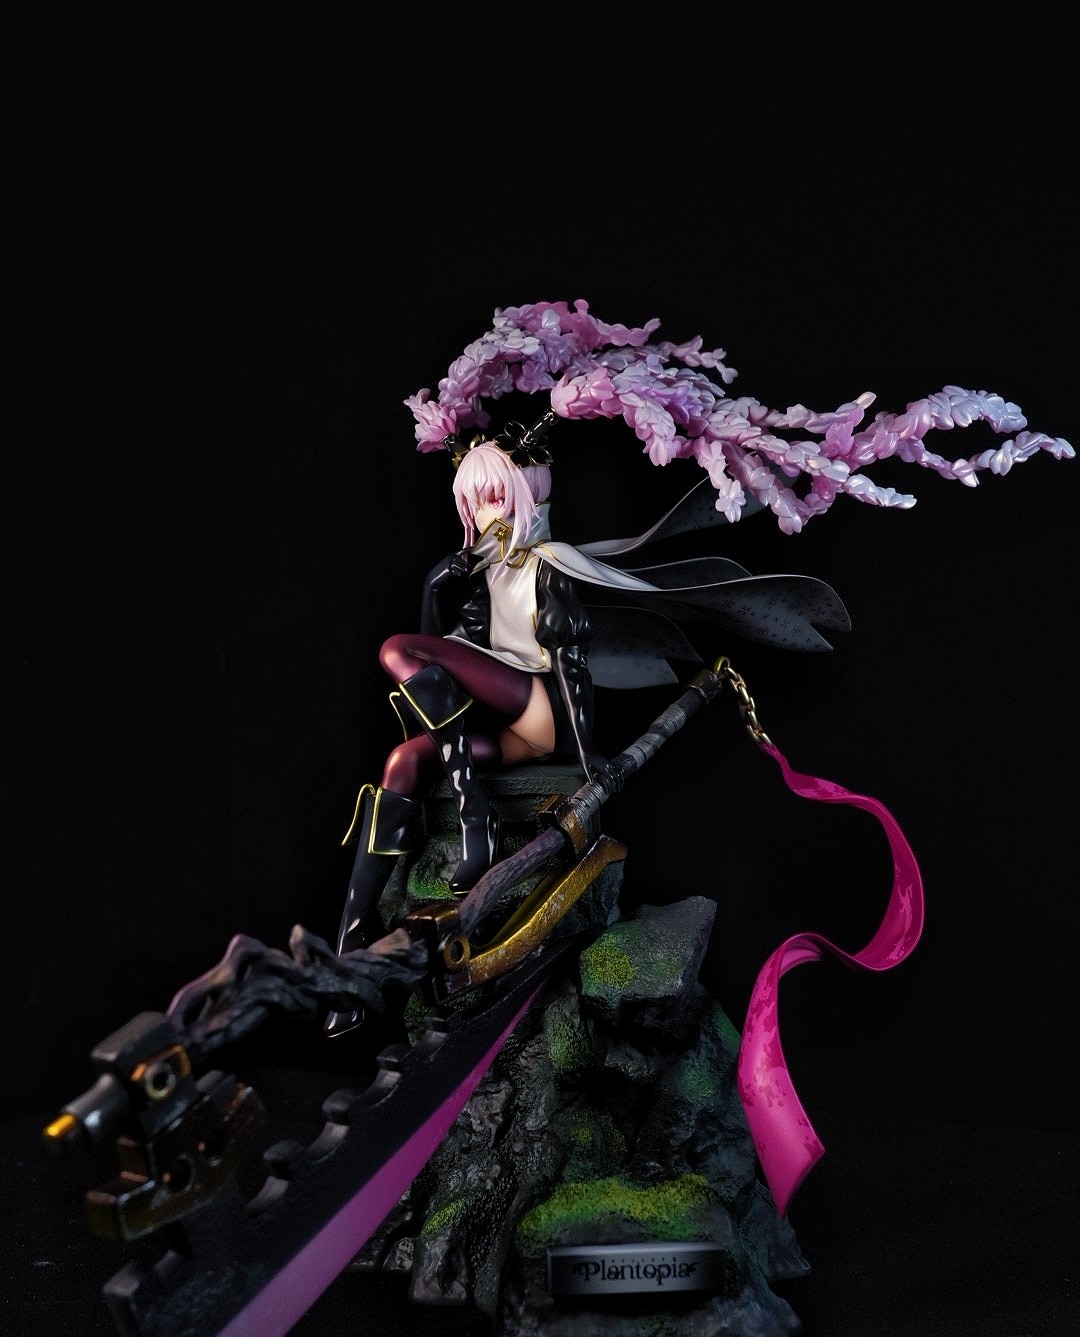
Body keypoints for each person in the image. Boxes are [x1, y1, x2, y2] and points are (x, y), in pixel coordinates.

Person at [324, 299, 1073, 1036]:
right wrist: (435, 589)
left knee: (399, 650)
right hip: (498, 724)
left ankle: (474, 822)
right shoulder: (482, 576)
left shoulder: (549, 566)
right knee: (400, 762)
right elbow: (441, 671)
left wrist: (589, 760)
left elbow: (569, 669)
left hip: (542, 714)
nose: (486, 516)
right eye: (475, 504)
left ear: (526, 497)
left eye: (496, 500)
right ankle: (348, 959)